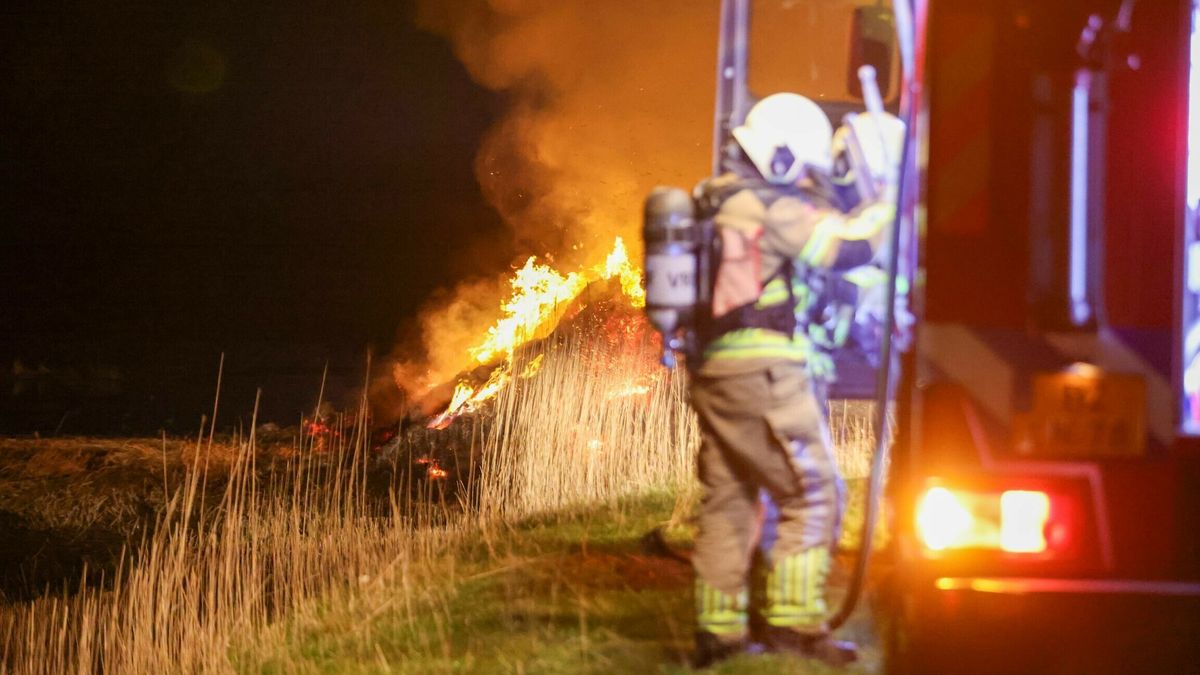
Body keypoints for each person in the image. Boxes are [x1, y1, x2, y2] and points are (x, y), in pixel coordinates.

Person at [688, 92, 899, 667]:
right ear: (779, 158)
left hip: (715, 373)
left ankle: (719, 633)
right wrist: (893, 203)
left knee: (730, 495)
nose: (804, 180)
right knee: (813, 492)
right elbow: (844, 248)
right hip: (764, 372)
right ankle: (794, 625)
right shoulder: (767, 207)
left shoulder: (716, 203)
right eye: (800, 167)